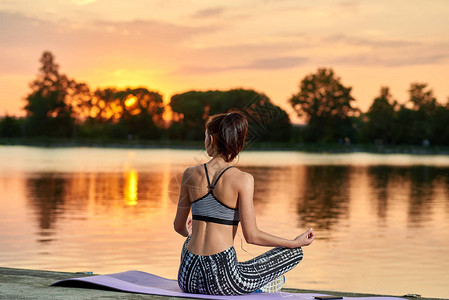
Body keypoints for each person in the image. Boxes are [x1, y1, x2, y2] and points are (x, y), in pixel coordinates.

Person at [174, 112, 315, 295]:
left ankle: (254, 282)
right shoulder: (243, 180)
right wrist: (294, 242)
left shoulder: (189, 174)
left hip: (187, 278)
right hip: (221, 282)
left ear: (210, 139)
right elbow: (252, 236)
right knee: (293, 253)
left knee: (199, 248)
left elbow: (179, 226)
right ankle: (260, 285)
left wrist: (190, 232)